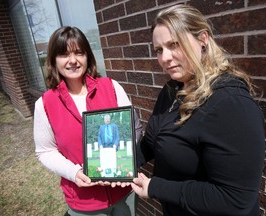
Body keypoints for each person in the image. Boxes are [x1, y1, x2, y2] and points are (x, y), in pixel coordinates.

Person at [131, 4, 265, 216]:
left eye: (174, 44)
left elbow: (235, 199)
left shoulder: (230, 103)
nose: (164, 58)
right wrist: (115, 164)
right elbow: (152, 141)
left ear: (203, 39)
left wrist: (155, 187)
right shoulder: (170, 91)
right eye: (159, 49)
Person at [33, 26, 142, 216]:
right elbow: (45, 151)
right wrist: (73, 172)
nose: (73, 60)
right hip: (84, 201)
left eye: (79, 53)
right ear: (53, 60)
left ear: (87, 56)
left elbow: (134, 129)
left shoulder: (111, 87)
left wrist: (124, 163)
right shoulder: (45, 104)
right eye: (64, 54)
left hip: (124, 191)